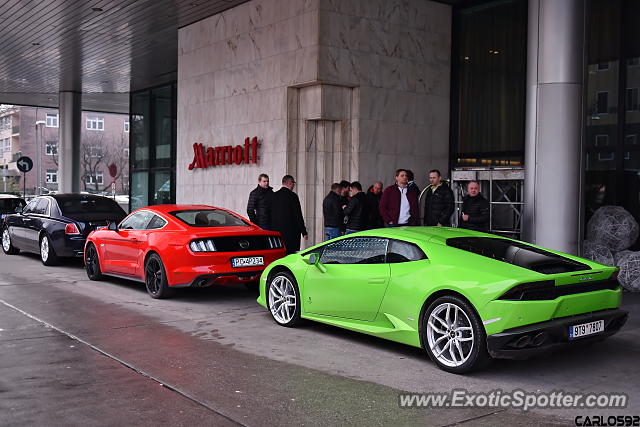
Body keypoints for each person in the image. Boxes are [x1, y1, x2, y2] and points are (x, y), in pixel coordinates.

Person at [270, 175, 308, 254]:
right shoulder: (293, 196)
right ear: (290, 183)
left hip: (277, 232)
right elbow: (298, 215)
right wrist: (303, 231)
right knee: (290, 255)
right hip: (291, 233)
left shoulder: (273, 196)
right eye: (293, 183)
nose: (294, 185)